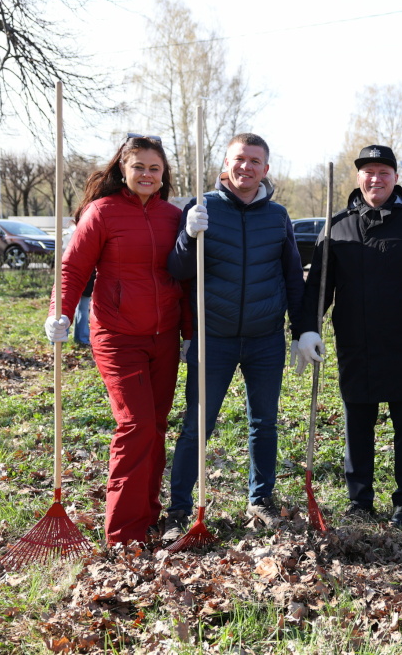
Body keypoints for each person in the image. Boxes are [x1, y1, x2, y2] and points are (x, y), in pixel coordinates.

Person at [295, 144, 402, 527]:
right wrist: (307, 329)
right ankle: (360, 501)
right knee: (358, 428)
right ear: (359, 177)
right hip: (357, 347)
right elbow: (318, 288)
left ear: (395, 178)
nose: (375, 179)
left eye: (384, 172)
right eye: (369, 172)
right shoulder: (337, 226)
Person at [44, 134, 189, 545]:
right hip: (117, 335)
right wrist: (59, 311)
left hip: (164, 336)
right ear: (123, 169)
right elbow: (73, 268)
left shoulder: (173, 216)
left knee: (155, 427)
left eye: (154, 168)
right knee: (135, 424)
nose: (147, 174)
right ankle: (124, 533)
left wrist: (190, 333)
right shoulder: (101, 212)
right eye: (138, 166)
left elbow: (186, 278)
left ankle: (148, 515)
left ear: (164, 174)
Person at [163, 133, 305, 541]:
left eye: (255, 161)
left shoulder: (277, 216)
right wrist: (188, 235)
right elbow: (178, 269)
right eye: (239, 159)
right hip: (214, 338)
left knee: (264, 424)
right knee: (197, 425)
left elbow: (292, 277)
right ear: (226, 164)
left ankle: (260, 499)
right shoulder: (202, 208)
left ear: (266, 169)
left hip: (265, 339)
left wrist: (303, 330)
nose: (246, 167)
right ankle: (179, 508)